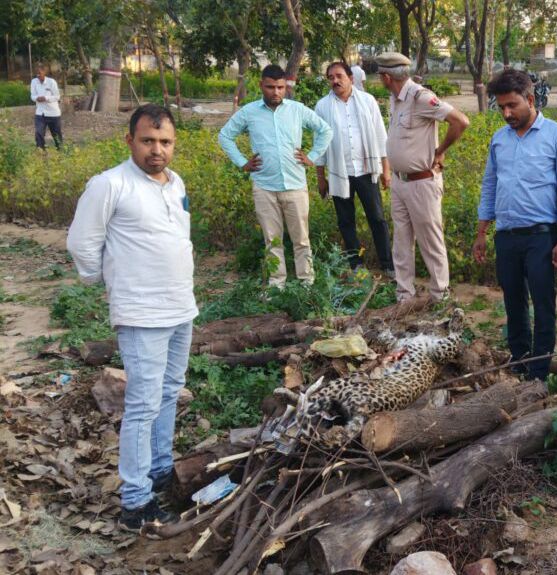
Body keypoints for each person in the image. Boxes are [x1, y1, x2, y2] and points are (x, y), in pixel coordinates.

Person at [67, 104, 197, 532]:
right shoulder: (109, 184)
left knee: (169, 392)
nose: (156, 150)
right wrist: (106, 282)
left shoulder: (175, 183)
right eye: (147, 141)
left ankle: (160, 471)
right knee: (141, 404)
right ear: (129, 141)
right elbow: (83, 242)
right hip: (141, 312)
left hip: (180, 306)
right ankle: (136, 502)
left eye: (165, 142)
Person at [473, 69, 557, 382]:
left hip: (541, 236)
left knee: (543, 303)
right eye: (501, 107)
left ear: (530, 100)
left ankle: (539, 372)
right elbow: (490, 185)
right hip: (506, 235)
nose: (506, 113)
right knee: (513, 301)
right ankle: (519, 361)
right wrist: (482, 232)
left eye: (512, 106)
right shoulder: (499, 140)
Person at [218, 64, 332, 287]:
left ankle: (306, 283)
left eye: (280, 87)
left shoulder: (297, 110)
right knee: (272, 239)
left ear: (285, 87)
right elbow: (225, 136)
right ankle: (276, 285)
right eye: (270, 87)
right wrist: (242, 162)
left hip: (295, 185)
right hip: (264, 186)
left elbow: (325, 130)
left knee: (301, 239)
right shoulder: (249, 112)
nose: (276, 92)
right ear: (261, 85)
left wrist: (312, 156)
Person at [377, 52, 469, 302]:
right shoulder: (394, 100)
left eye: (380, 76)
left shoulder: (420, 97)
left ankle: (440, 295)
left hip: (421, 182)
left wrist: (440, 151)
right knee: (401, 241)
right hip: (399, 181)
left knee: (430, 240)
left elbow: (460, 121)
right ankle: (404, 295)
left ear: (386, 77)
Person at [313, 61, 394, 276]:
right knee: (346, 221)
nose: (335, 80)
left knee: (377, 218)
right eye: (330, 77)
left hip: (367, 170)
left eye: (339, 76)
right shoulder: (322, 106)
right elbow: (320, 145)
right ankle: (356, 265)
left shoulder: (367, 101)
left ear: (351, 78)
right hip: (340, 173)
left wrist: (386, 171)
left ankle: (387, 265)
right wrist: (321, 178)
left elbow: (380, 136)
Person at [30, 63, 62, 150]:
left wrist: (46, 98)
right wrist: (37, 98)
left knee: (56, 135)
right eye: (36, 73)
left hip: (53, 113)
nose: (38, 75)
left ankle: (61, 153)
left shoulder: (51, 82)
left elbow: (57, 96)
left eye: (39, 73)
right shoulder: (34, 82)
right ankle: (41, 152)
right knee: (39, 133)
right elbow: (32, 96)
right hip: (40, 113)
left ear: (44, 72)